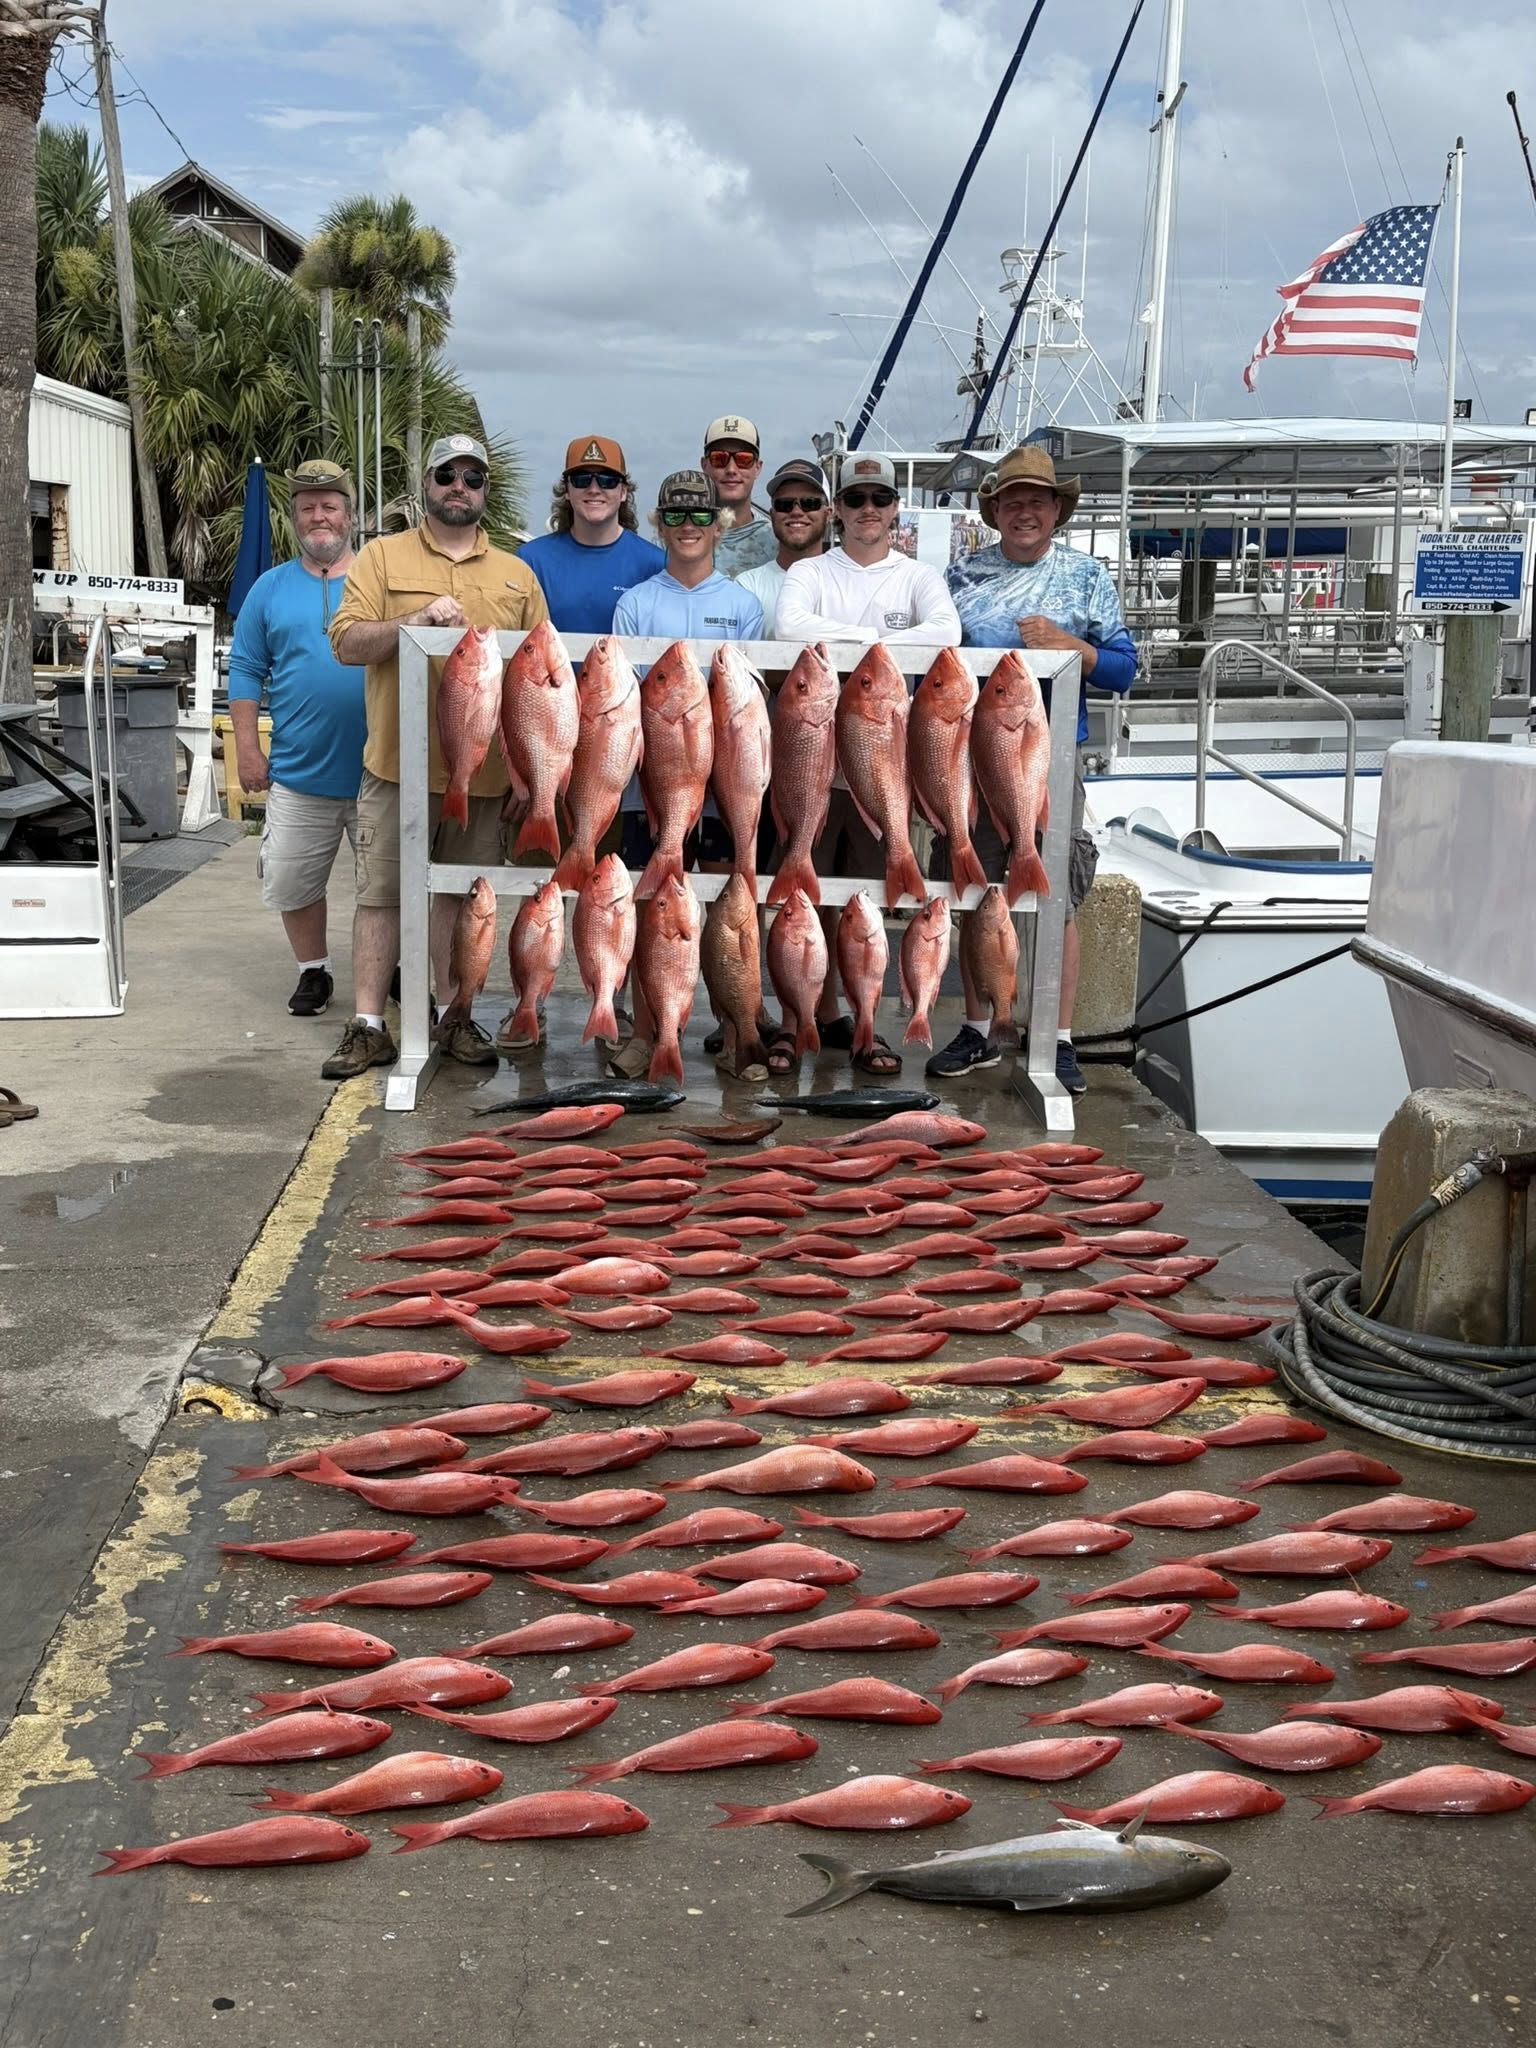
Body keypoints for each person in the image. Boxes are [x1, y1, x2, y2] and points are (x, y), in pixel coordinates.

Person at [321, 433, 549, 1079]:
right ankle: (368, 1023)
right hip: (396, 763)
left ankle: (455, 1012)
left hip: (483, 776)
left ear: (485, 490)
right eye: (446, 474)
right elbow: (346, 643)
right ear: (426, 484)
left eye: (472, 477)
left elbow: (540, 679)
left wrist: (530, 775)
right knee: (382, 893)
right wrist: (413, 623)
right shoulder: (380, 557)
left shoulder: (516, 574)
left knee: (462, 896)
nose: (459, 486)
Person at [937, 442, 1138, 1094]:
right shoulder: (961, 576)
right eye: (1012, 500)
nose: (1025, 511)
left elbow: (1125, 669)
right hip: (977, 756)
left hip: (1054, 758)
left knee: (1060, 899)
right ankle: (978, 1026)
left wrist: (1071, 646)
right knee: (975, 890)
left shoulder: (1086, 578)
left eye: (1037, 500)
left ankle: (1056, 1037)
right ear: (995, 510)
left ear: (1057, 509)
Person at [773, 451, 961, 1078]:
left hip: (885, 774)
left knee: (868, 901)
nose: (869, 510)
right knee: (813, 902)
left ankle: (867, 1025)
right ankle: (816, 1018)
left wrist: (856, 649)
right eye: (855, 500)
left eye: (879, 499)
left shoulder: (919, 576)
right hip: (813, 773)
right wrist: (881, 650)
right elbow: (787, 623)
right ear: (837, 510)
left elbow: (948, 631)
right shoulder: (809, 572)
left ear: (895, 508)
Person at [609, 469, 764, 1078]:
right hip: (652, 784)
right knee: (654, 911)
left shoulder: (742, 606)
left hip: (724, 786)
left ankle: (736, 1032)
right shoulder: (637, 604)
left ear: (719, 524)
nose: (688, 528)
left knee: (732, 908)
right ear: (658, 524)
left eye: (701, 516)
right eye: (675, 516)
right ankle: (649, 1032)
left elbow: (750, 710)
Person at [227, 459, 364, 1020]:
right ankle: (314, 970)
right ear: (293, 518)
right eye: (307, 506)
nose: (319, 516)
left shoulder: (379, 578)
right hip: (299, 771)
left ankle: (395, 968)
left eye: (330, 504)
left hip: (381, 770)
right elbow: (244, 670)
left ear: (350, 515)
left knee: (388, 884)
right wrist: (247, 749)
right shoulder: (269, 588)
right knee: (291, 877)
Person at [517, 434, 664, 630]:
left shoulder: (656, 564)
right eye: (582, 479)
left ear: (623, 492)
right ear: (567, 490)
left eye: (607, 480)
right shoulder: (530, 561)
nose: (594, 489)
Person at [734, 458, 832, 624]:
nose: (796, 512)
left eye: (810, 503)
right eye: (784, 504)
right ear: (772, 515)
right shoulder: (747, 586)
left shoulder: (847, 583)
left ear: (828, 514)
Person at [704, 414, 777, 576]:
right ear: (704, 465)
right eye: (719, 458)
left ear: (758, 467)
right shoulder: (678, 537)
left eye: (744, 460)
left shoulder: (779, 542)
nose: (731, 469)